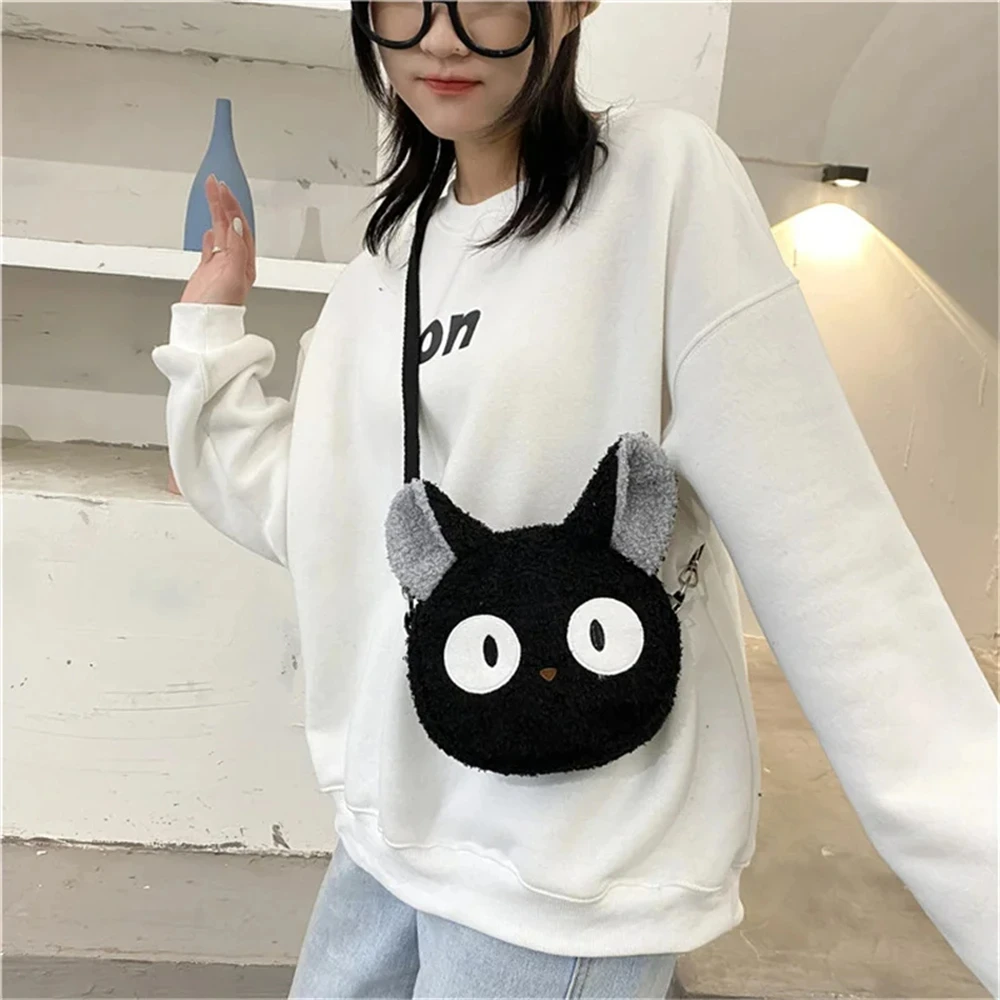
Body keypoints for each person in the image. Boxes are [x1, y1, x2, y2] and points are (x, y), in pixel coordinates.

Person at [151, 2, 998, 997]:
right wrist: (208, 343)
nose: (440, 37)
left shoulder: (658, 188)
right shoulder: (392, 256)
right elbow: (326, 519)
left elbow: (841, 579)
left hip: (567, 879)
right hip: (391, 835)